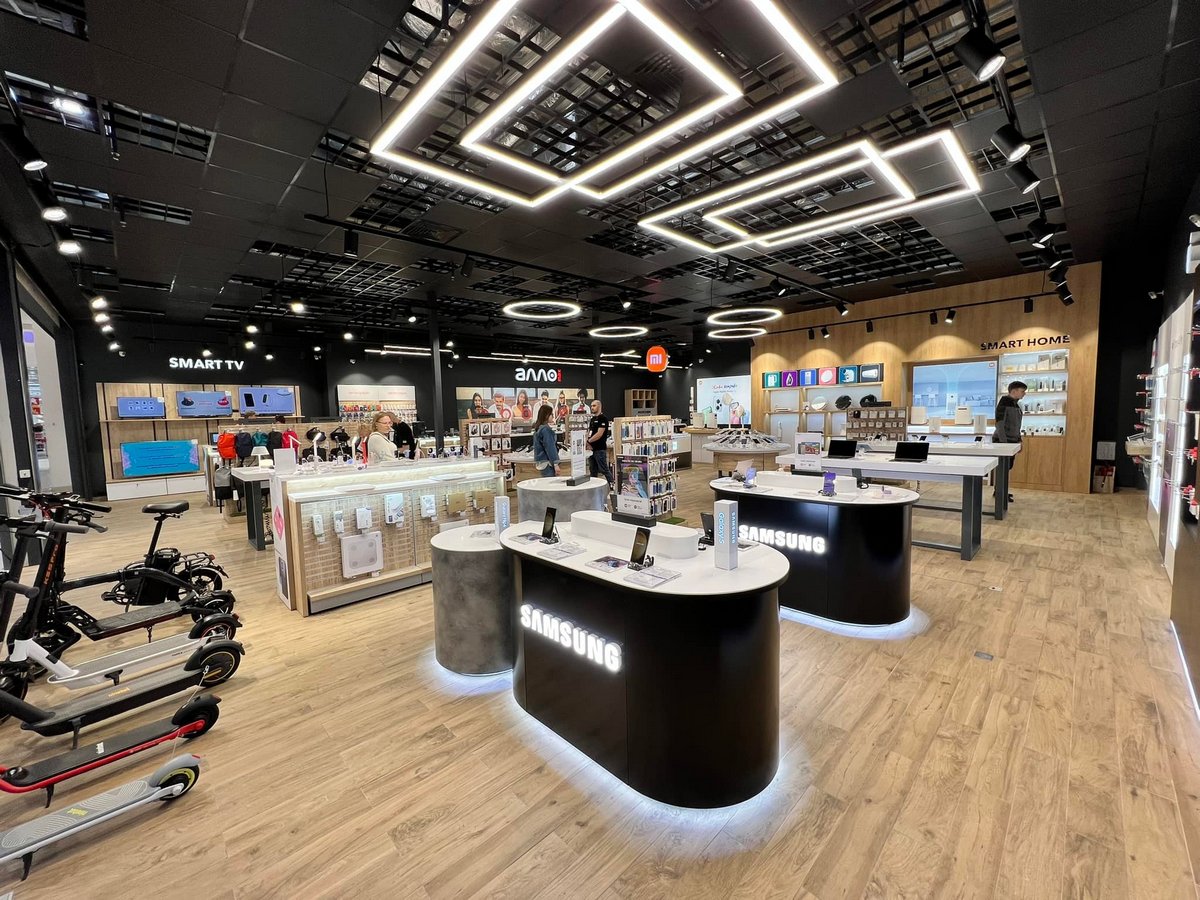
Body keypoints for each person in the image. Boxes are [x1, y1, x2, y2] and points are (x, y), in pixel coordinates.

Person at [992, 380, 1026, 502]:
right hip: (1003, 442)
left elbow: (1017, 425)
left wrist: (1019, 440)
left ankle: (1001, 491)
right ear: (1014, 391)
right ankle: (1000, 493)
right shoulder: (1004, 403)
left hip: (1012, 441)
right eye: (1022, 391)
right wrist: (1004, 444)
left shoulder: (1015, 405)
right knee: (1002, 468)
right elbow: (999, 424)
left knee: (1007, 468)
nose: (1024, 394)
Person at [587, 398, 613, 484]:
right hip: (591, 449)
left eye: (594, 406)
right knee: (592, 470)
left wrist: (589, 441)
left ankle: (612, 484)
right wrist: (586, 442)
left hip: (599, 449)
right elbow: (589, 432)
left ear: (599, 406)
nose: (592, 407)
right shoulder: (592, 419)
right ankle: (593, 486)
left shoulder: (603, 419)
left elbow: (599, 434)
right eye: (591, 406)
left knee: (604, 469)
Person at [532, 405, 560, 477]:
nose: (553, 416)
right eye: (551, 414)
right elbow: (550, 447)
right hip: (547, 464)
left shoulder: (539, 428)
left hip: (541, 463)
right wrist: (555, 463)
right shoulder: (546, 430)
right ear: (546, 415)